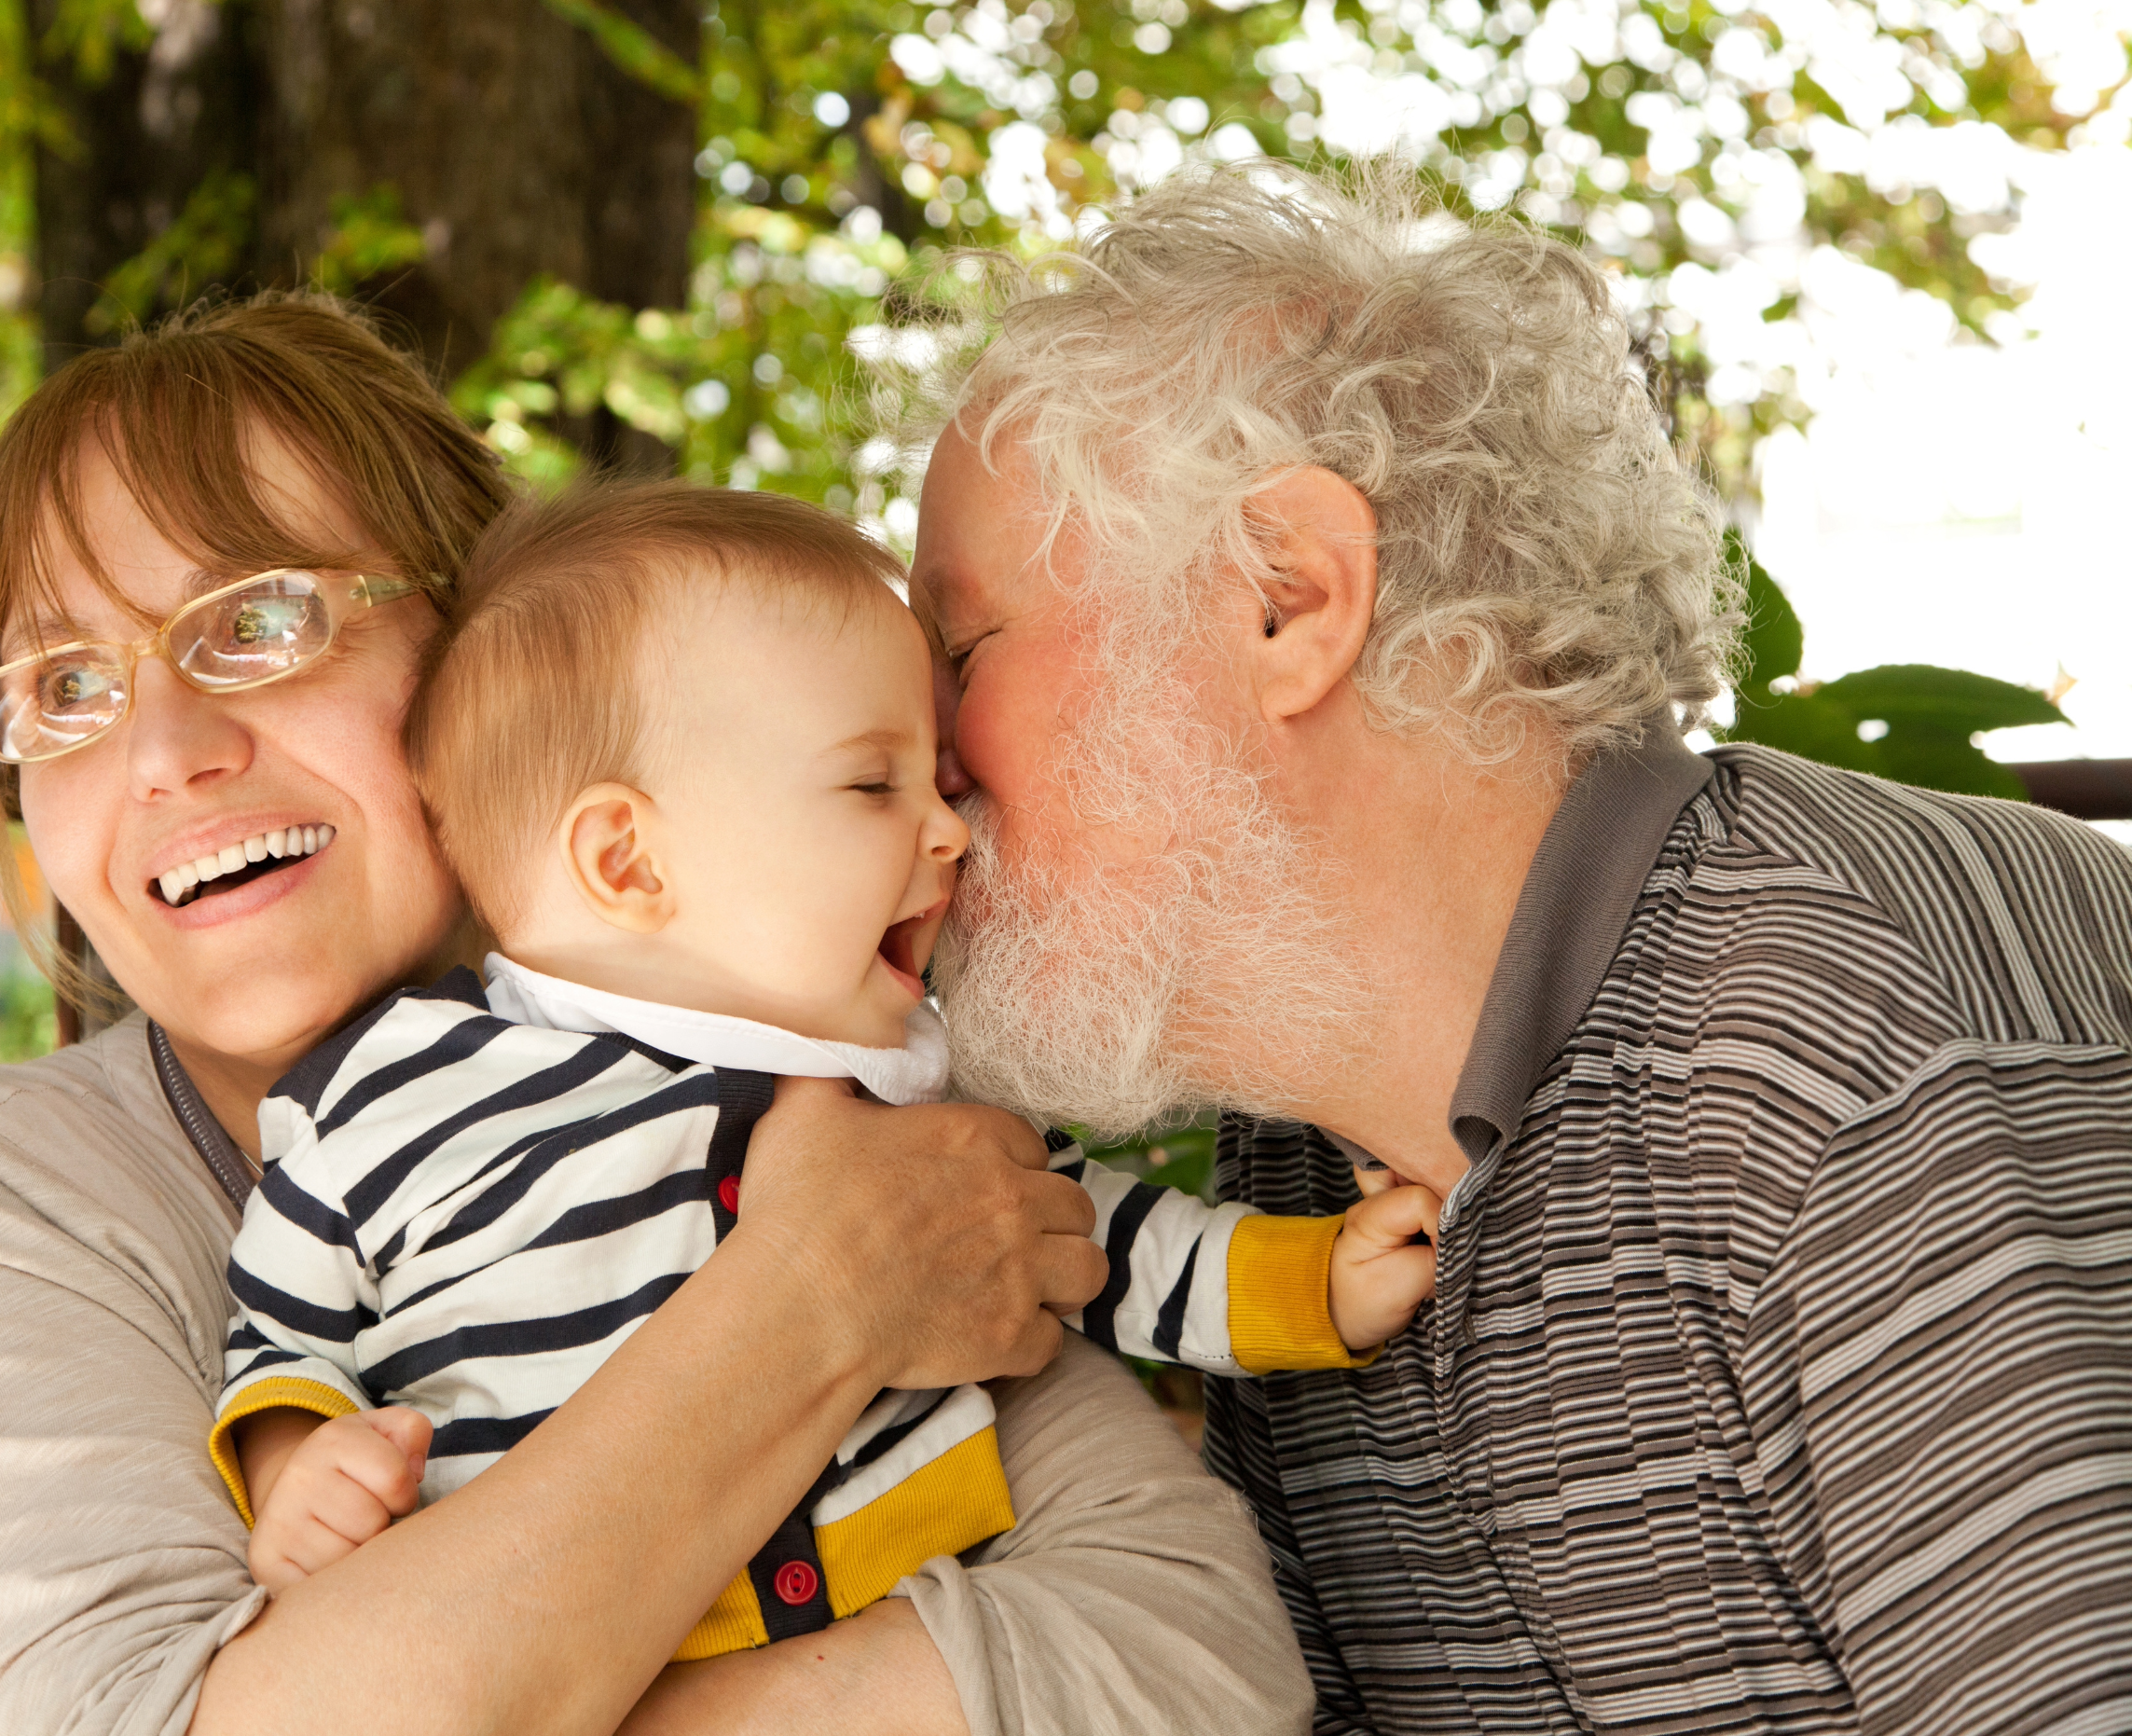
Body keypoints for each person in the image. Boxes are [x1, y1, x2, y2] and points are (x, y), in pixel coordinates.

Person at [0, 295, 1316, 1736]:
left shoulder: (807, 1080)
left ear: (472, 651)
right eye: (63, 688)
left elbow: (1197, 1654)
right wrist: (812, 1299)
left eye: (259, 619)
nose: (165, 750)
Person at [901, 162, 2132, 1736]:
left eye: (957, 648)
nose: (916, 758)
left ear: (1289, 598)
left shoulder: (1835, 1032)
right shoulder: (1303, 1162)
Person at [210, 484, 1444, 1632]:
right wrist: (295, 1461)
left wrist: (1307, 1283)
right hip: (555, 1639)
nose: (946, 827)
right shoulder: (395, 1091)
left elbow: (1087, 1236)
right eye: (872, 782)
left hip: (893, 1625)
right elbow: (284, 1324)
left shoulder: (899, 1087)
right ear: (631, 864)